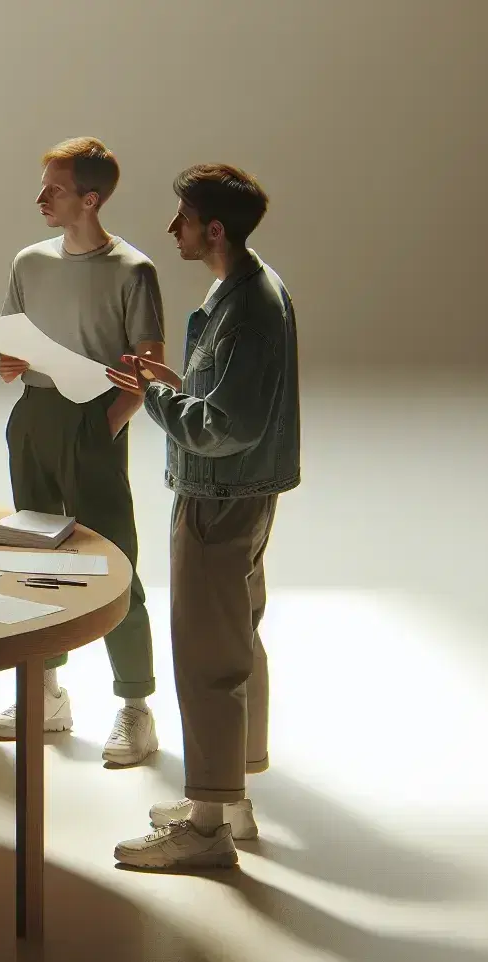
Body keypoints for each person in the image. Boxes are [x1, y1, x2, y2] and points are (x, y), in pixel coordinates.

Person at [107, 164, 298, 870]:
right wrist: (172, 383)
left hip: (219, 499)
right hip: (240, 495)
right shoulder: (246, 287)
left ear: (213, 228)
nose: (172, 228)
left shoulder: (252, 307)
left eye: (182, 216)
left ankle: (208, 829)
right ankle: (230, 798)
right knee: (236, 642)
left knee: (206, 657)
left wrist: (154, 400)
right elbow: (224, 397)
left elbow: (223, 426)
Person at [0, 138, 166, 763]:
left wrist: (108, 427)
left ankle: (135, 706)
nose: (40, 197)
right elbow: (15, 345)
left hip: (91, 422)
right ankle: (45, 691)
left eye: (55, 188)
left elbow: (148, 365)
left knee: (114, 562)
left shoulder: (133, 270)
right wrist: (12, 363)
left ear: (90, 199)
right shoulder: (30, 262)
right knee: (34, 554)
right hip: (34, 418)